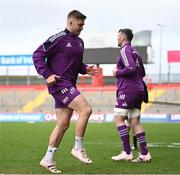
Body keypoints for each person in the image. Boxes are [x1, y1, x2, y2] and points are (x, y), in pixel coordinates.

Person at [32, 10, 101, 174]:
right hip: (59, 83)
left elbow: (76, 64)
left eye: (83, 24)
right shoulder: (58, 38)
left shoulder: (80, 42)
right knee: (86, 109)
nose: (82, 27)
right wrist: (47, 75)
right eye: (80, 24)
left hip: (70, 84)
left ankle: (47, 159)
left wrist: (86, 69)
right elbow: (37, 55)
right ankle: (78, 147)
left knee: (63, 124)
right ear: (70, 22)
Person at [112, 28, 151, 163]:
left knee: (118, 118)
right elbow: (142, 73)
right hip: (138, 89)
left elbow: (130, 69)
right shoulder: (136, 52)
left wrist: (117, 72)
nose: (117, 38)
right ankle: (145, 153)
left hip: (128, 90)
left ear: (123, 38)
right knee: (135, 122)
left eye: (118, 36)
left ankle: (126, 152)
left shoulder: (124, 50)